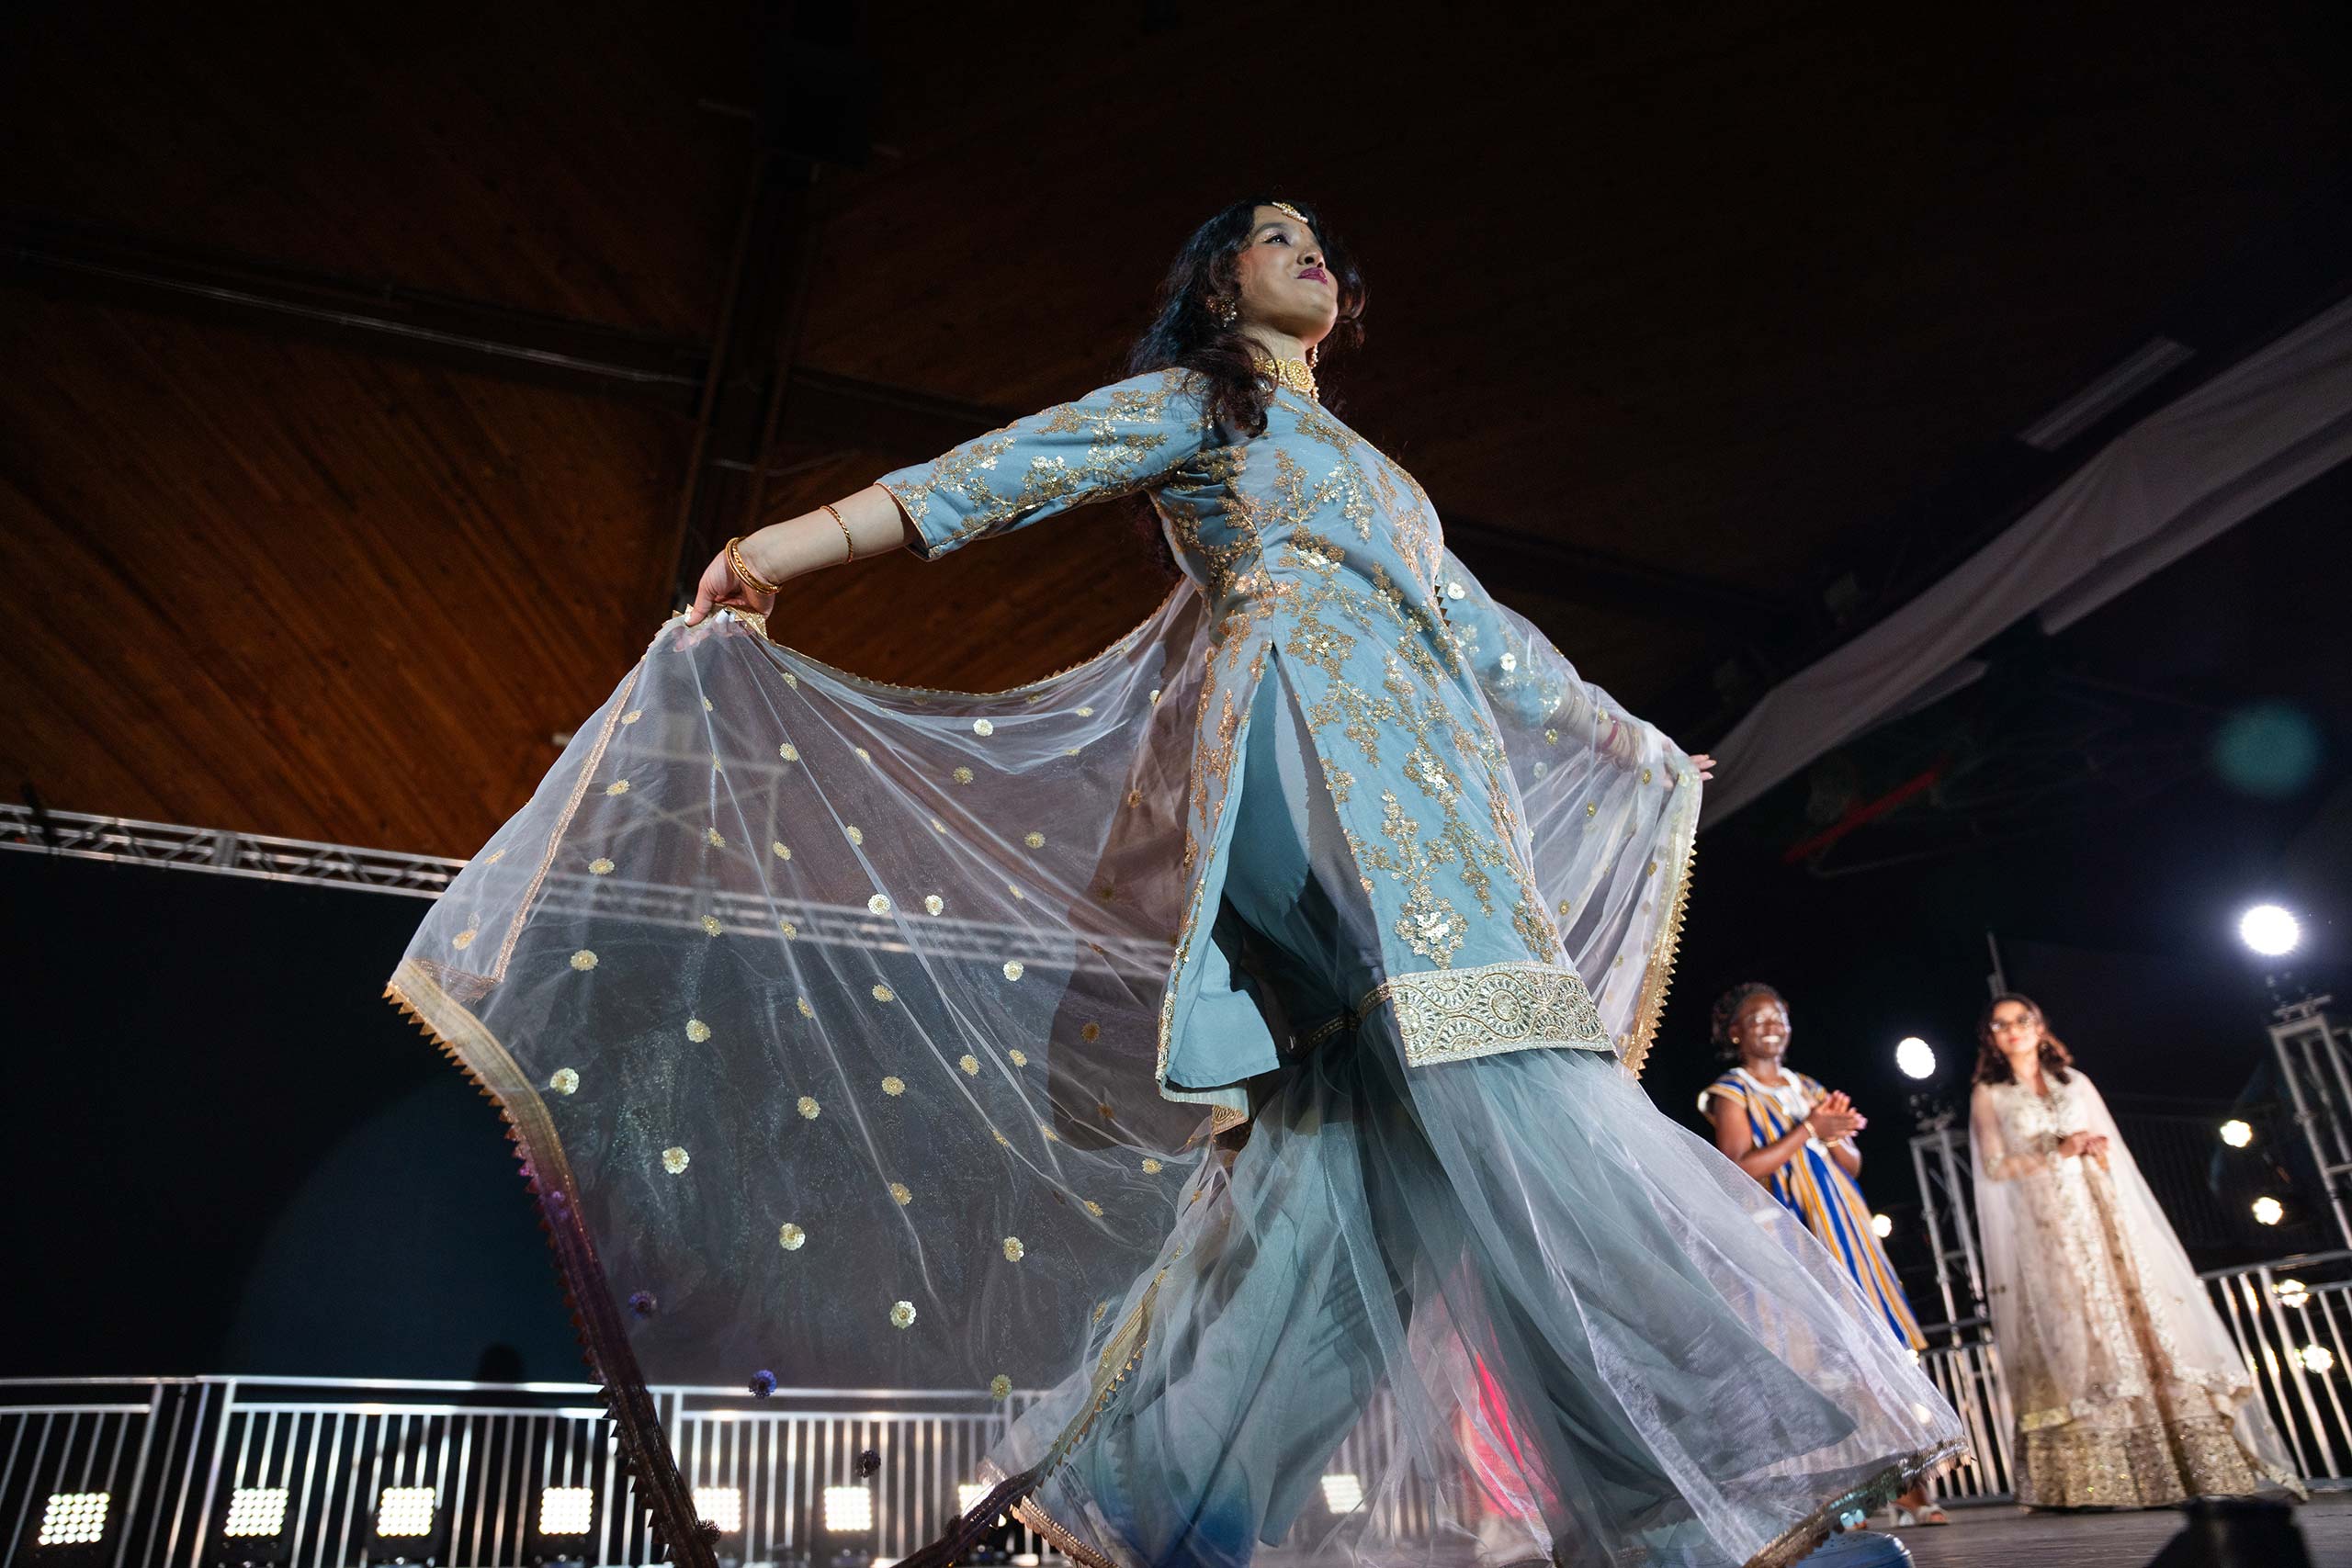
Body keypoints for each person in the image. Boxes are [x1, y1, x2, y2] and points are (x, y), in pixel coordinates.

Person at [388, 197, 1961, 1568]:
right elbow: (1011, 468)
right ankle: (1705, 1493)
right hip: (1306, 745)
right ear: (1218, 289)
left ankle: (1194, 1510)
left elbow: (1482, 635)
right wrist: (779, 547)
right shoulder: (1197, 407)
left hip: (1433, 779)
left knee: (1379, 1160)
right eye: (1278, 238)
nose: (1315, 258)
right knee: (1511, 1073)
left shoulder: (1384, 474)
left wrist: (1635, 740)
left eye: (1326, 246)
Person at [1970, 993, 2300, 1509]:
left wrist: (2094, 1150)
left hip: (2106, 1217)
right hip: (2049, 1229)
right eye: (2001, 1024)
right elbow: (1993, 1168)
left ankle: (2186, 1463)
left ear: (2039, 1026)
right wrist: (2052, 1152)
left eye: (2022, 1021)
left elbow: (2113, 1145)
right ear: (1991, 1036)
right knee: (2078, 1331)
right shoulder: (1991, 1095)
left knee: (2139, 1320)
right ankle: (2091, 1479)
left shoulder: (2074, 1083)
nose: (2013, 1031)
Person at [1698, 985, 1942, 1527]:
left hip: (1842, 1232)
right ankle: (1828, 1497)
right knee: (1810, 1358)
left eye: (1779, 1016)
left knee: (1868, 1350)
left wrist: (1835, 1136)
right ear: (1733, 1032)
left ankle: (1904, 1485)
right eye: (1756, 1017)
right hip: (1783, 1236)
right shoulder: (1731, 1092)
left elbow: (1848, 1166)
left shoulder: (1808, 1086)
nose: (1771, 1024)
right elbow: (1737, 1166)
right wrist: (1808, 1129)